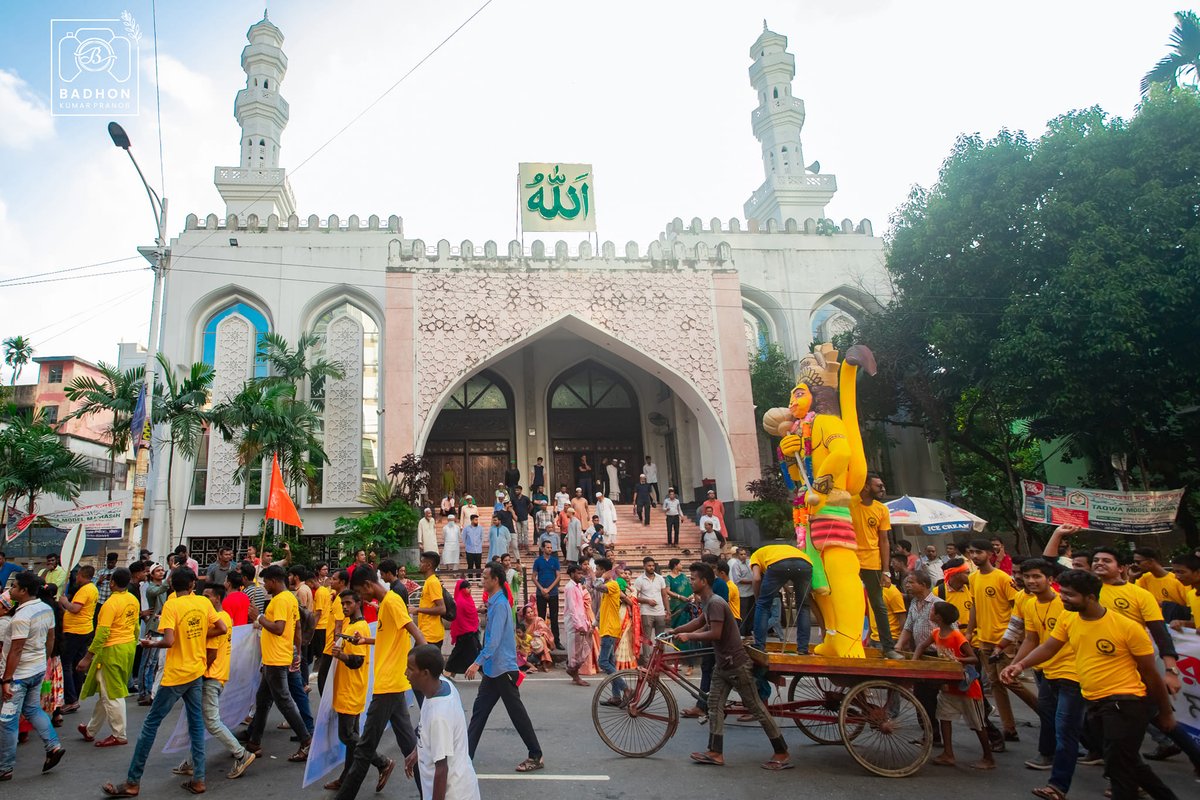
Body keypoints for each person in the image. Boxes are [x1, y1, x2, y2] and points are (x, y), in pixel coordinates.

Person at [1002, 569, 1182, 800]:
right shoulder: (1068, 618)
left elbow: (1151, 676)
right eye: (1062, 593)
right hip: (1093, 702)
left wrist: (1165, 713)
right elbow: (1049, 647)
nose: (1063, 598)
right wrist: (1020, 665)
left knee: (1119, 768)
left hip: (1125, 704)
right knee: (1128, 763)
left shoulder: (1127, 627)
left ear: (1091, 597)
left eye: (1069, 595)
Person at [101, 568, 226, 797]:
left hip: (177, 674)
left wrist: (151, 644)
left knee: (150, 726)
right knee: (196, 725)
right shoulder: (203, 603)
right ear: (191, 585)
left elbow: (168, 641)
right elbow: (221, 628)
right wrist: (197, 636)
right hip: (196, 671)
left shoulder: (171, 605)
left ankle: (132, 782)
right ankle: (199, 779)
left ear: (171, 585)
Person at [669, 561, 791, 770]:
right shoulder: (707, 601)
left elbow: (715, 633)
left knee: (757, 708)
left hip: (736, 665)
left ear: (704, 581)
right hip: (723, 666)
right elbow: (699, 622)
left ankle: (782, 752)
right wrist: (675, 630)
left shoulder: (716, 602)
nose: (690, 581)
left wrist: (688, 635)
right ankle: (715, 752)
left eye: (693, 578)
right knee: (714, 707)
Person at [1090, 547, 1199, 770]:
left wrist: (1171, 670)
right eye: (1096, 560)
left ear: (1121, 568)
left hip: (1133, 669)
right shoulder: (1088, 593)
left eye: (1106, 560)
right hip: (1095, 670)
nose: (1099, 563)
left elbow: (1161, 634)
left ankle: (1128, 777)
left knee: (1149, 718)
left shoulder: (1140, 594)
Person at [335, 566, 427, 800]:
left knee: (364, 749)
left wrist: (425, 666)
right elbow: (392, 636)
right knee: (409, 747)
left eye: (359, 592)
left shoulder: (393, 602)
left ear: (368, 585)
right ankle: (429, 794)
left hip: (388, 685)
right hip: (393, 685)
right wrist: (366, 639)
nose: (360, 598)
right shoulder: (386, 604)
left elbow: (416, 633)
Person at [1003, 559, 1084, 798]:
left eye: (1036, 577)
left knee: (1065, 728)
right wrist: (1016, 664)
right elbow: (1031, 639)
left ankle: (1058, 785)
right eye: (1027, 577)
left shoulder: (1066, 604)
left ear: (1051, 580)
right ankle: (1050, 754)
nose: (1030, 581)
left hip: (1074, 673)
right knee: (1053, 719)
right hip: (1047, 672)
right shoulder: (1029, 605)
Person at [171, 582, 256, 780]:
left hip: (210, 676)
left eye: (208, 596)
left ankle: (241, 754)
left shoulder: (216, 620)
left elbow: (210, 652)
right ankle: (192, 762)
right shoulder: (223, 617)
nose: (204, 598)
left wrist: (196, 673)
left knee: (211, 721)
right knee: (200, 721)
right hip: (215, 675)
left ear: (218, 598)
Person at [465, 562, 544, 772]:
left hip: (502, 669)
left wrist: (476, 663)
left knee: (516, 714)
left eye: (485, 577)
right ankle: (465, 756)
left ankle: (535, 755)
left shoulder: (500, 605)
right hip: (494, 670)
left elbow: (494, 641)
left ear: (496, 580)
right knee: (479, 712)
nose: (482, 580)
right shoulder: (495, 602)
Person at [964, 538, 1036, 745]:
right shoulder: (974, 578)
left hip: (1005, 639)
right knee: (995, 684)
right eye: (972, 552)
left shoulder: (1003, 578)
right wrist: (969, 632)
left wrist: (1017, 638)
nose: (975, 556)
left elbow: (1019, 608)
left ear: (989, 554)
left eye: (979, 552)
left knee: (1010, 681)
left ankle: (1046, 713)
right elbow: (975, 607)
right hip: (984, 639)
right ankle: (1009, 728)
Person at [914, 601, 994, 770]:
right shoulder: (936, 633)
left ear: (939, 617)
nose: (931, 613)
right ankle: (948, 753)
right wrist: (914, 661)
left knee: (977, 724)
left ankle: (988, 757)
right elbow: (921, 646)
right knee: (944, 718)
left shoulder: (957, 636)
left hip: (967, 687)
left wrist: (958, 660)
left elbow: (974, 658)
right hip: (949, 686)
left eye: (933, 611)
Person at [1, 572, 65, 781]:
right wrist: (43, 662)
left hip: (19, 676)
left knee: (7, 721)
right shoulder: (45, 609)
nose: (11, 590)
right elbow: (51, 638)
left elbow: (16, 650)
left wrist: (7, 679)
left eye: (14, 587)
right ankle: (53, 746)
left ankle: (5, 767)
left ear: (24, 591)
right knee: (32, 709)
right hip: (37, 669)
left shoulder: (21, 617)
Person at [244, 565, 311, 762]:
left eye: (266, 582)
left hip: (276, 658)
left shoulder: (281, 600)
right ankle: (254, 742)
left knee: (284, 701)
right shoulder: (290, 597)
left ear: (274, 580)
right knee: (263, 700)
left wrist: (258, 616)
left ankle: (306, 741)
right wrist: (296, 651)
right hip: (280, 655)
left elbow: (279, 628)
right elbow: (297, 627)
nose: (265, 586)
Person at [404, 645, 480, 800]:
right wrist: (417, 751)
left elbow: (441, 769)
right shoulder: (440, 684)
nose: (406, 673)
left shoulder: (439, 715)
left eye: (411, 669)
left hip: (453, 793)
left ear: (425, 673)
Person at [77, 566, 139, 747]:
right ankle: (91, 729)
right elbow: (135, 626)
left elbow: (102, 633)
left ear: (112, 583)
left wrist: (87, 657)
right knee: (106, 690)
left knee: (112, 693)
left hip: (113, 649)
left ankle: (119, 734)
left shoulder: (110, 604)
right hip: (127, 647)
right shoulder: (132, 599)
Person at [323, 590, 371, 792]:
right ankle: (346, 778)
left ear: (358, 603)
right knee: (352, 738)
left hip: (351, 689)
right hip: (349, 687)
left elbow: (358, 661)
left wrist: (341, 656)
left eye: (348, 603)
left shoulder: (359, 627)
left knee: (347, 735)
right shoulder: (352, 625)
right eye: (343, 603)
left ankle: (380, 761)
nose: (344, 607)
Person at [750, 544, 813, 649]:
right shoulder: (780, 549)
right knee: (803, 607)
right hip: (805, 563)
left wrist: (758, 599)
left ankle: (759, 645)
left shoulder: (755, 556)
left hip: (778, 564)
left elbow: (756, 579)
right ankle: (803, 648)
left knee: (763, 606)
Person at [594, 558, 631, 706]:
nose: (596, 572)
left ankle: (626, 689)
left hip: (610, 629)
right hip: (607, 628)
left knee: (603, 662)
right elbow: (603, 608)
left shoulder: (613, 585)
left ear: (604, 570)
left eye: (598, 569)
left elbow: (597, 586)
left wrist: (602, 577)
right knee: (610, 663)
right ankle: (616, 696)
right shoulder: (610, 585)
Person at [1133, 548, 1190, 620]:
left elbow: (1190, 609)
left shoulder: (1178, 580)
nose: (1135, 565)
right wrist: (1132, 578)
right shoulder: (1144, 579)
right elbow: (1133, 598)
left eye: (1138, 562)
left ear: (1151, 561)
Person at [317, 569, 350, 695]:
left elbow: (339, 624)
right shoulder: (339, 597)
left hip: (333, 646)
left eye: (334, 579)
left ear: (342, 582)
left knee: (323, 680)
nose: (331, 581)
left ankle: (330, 710)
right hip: (332, 645)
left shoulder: (342, 600)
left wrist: (336, 646)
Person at [633, 557, 669, 662]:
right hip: (646, 612)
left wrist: (668, 611)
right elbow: (635, 597)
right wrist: (647, 601)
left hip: (660, 612)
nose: (651, 567)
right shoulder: (639, 580)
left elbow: (664, 595)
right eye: (649, 565)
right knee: (646, 638)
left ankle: (660, 661)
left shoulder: (660, 578)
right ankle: (647, 662)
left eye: (653, 565)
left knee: (661, 638)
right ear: (644, 566)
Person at [562, 564, 591, 687]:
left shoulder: (578, 586)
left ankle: (573, 670)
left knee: (584, 649)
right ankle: (575, 674)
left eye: (581, 573)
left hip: (581, 622)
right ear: (572, 574)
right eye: (578, 573)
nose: (580, 576)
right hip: (575, 624)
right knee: (575, 651)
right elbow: (573, 608)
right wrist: (578, 625)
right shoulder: (570, 587)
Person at [445, 580, 481, 677]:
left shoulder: (469, 599)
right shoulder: (460, 602)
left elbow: (472, 614)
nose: (470, 590)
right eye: (467, 588)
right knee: (475, 654)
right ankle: (487, 677)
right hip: (465, 634)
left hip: (471, 632)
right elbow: (460, 620)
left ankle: (449, 674)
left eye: (470, 588)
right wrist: (467, 629)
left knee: (459, 655)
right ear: (462, 589)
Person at [412, 552, 446, 655]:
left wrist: (418, 610)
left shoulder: (432, 582)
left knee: (420, 667)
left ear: (429, 565)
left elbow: (442, 609)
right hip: (426, 633)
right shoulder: (429, 581)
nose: (420, 564)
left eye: (422, 562)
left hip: (430, 636)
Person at [867, 573, 907, 653]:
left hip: (890, 639)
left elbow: (902, 619)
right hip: (874, 639)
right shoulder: (871, 590)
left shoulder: (892, 592)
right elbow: (872, 616)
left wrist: (902, 643)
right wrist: (869, 637)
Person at [463, 514, 484, 579]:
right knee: (470, 565)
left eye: (477, 520)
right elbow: (464, 538)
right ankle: (470, 579)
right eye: (475, 520)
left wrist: (479, 545)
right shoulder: (466, 528)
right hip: (469, 550)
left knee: (478, 565)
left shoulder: (480, 528)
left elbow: (482, 538)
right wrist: (467, 545)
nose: (477, 521)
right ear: (471, 520)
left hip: (478, 550)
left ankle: (478, 579)